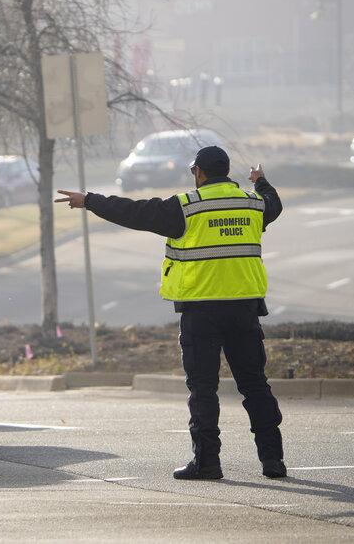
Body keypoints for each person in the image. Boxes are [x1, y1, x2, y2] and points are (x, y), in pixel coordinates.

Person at [55, 145, 287, 480]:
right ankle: (273, 461)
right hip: (244, 309)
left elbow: (133, 212)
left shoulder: (186, 207)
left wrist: (88, 200)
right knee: (255, 385)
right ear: (226, 171)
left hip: (201, 311)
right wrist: (261, 180)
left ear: (199, 172)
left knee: (203, 389)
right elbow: (275, 204)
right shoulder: (253, 204)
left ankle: (207, 462)